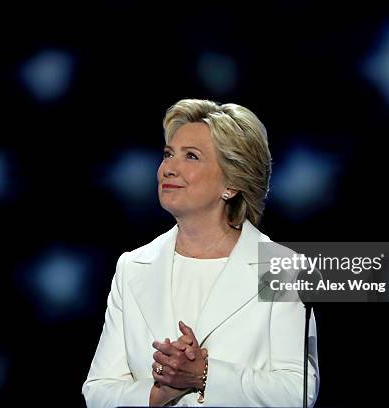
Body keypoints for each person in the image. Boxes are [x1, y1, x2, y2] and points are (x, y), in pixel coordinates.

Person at [82, 99, 320, 407]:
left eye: (191, 156)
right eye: (168, 154)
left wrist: (203, 374)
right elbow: (98, 390)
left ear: (232, 183)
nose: (169, 168)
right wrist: (158, 394)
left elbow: (297, 393)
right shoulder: (132, 267)